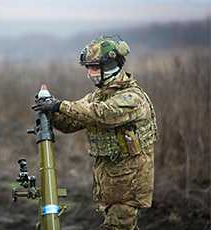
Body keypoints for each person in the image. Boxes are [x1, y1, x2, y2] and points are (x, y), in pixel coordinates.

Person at [32, 35, 158, 230]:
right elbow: (70, 123)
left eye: (94, 68)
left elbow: (102, 114)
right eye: (88, 68)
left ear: (111, 66)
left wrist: (59, 105)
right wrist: (50, 111)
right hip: (110, 184)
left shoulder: (132, 98)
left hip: (128, 186)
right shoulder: (98, 96)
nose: (90, 73)